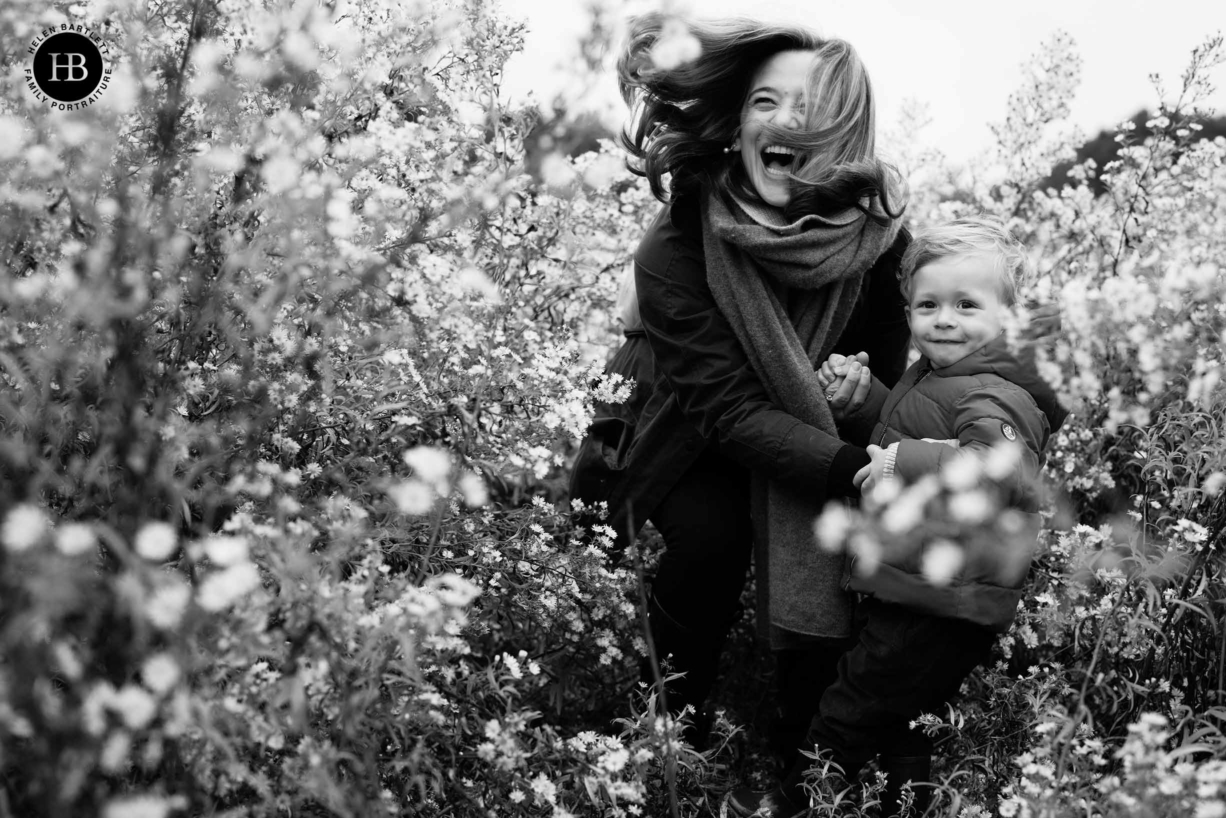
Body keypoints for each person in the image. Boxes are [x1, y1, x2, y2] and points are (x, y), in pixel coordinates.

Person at [568, 13, 911, 764]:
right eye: (764, 102)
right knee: (712, 540)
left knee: (854, 548)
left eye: (810, 106)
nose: (785, 121)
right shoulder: (680, 237)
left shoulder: (879, 238)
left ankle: (805, 762)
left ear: (844, 129)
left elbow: (893, 382)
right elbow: (723, 410)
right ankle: (668, 743)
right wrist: (854, 467)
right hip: (672, 430)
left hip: (807, 432)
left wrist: (868, 397)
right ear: (732, 122)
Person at [727, 218, 1068, 817]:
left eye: (967, 304)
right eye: (928, 304)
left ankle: (795, 804)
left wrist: (898, 461)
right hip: (920, 587)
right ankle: (904, 805)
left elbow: (998, 472)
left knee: (852, 705)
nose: (944, 319)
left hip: (941, 600)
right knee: (903, 717)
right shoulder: (944, 377)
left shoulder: (995, 391)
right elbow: (920, 432)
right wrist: (865, 408)